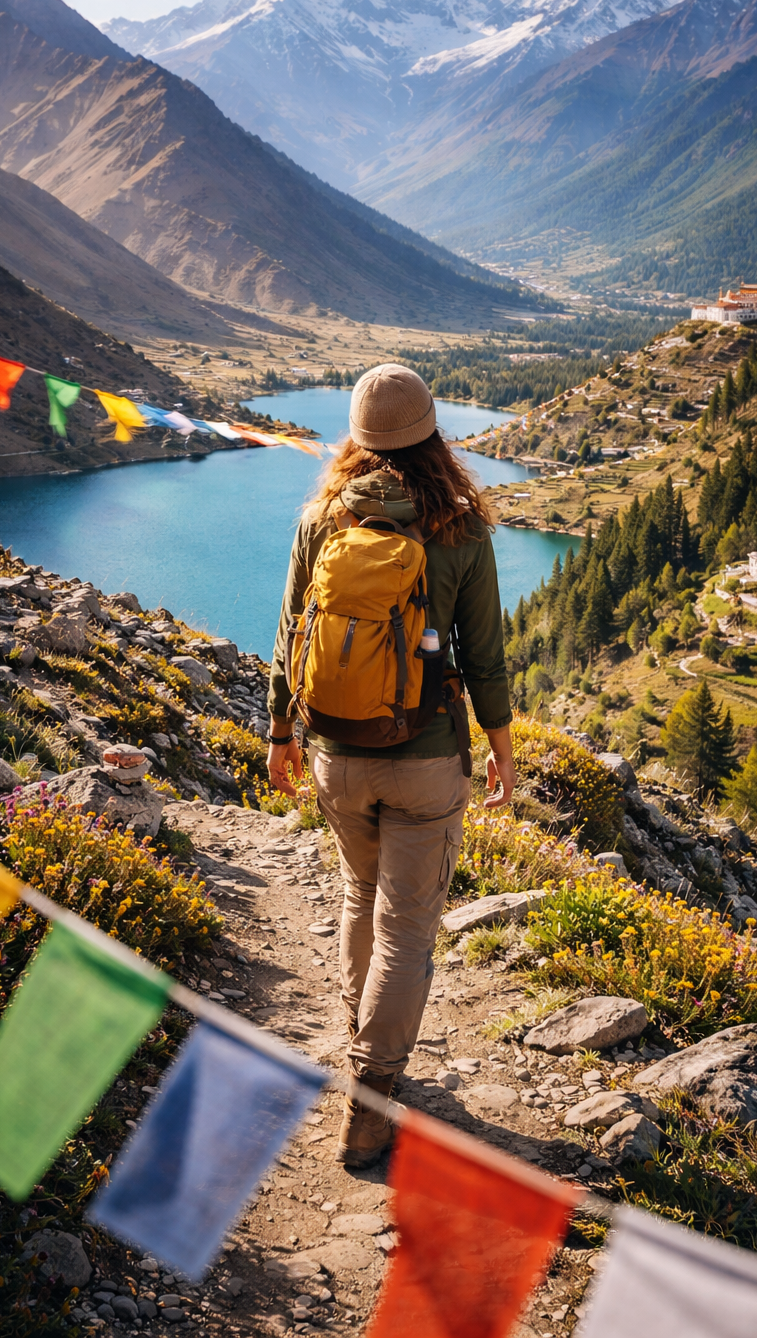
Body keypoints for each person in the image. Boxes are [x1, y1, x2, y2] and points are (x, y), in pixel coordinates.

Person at [267, 364, 514, 1167]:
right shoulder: (463, 527)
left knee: (358, 895)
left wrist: (280, 734)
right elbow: (482, 656)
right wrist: (502, 745)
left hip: (337, 751)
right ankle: (373, 1091)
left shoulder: (321, 519)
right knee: (407, 931)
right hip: (427, 757)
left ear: (356, 434)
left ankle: (360, 1040)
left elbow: (288, 638)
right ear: (433, 431)